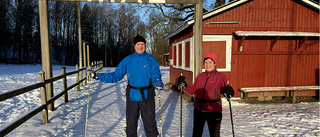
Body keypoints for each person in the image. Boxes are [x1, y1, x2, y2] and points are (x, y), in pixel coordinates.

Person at [87, 35, 163, 137]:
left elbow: (155, 74)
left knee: (150, 126)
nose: (140, 46)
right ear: (134, 46)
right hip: (132, 97)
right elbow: (116, 75)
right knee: (131, 126)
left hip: (147, 96)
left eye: (142, 44)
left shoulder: (151, 60)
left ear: (145, 45)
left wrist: (157, 81)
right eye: (138, 44)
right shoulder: (128, 60)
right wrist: (97, 75)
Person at [178, 53, 234, 137]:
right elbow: (193, 91)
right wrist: (184, 85)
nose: (207, 65)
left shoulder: (221, 77)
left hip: (214, 110)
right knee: (196, 133)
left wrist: (229, 92)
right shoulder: (200, 76)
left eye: (210, 62)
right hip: (198, 109)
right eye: (205, 62)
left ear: (215, 63)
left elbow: (227, 90)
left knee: (214, 134)